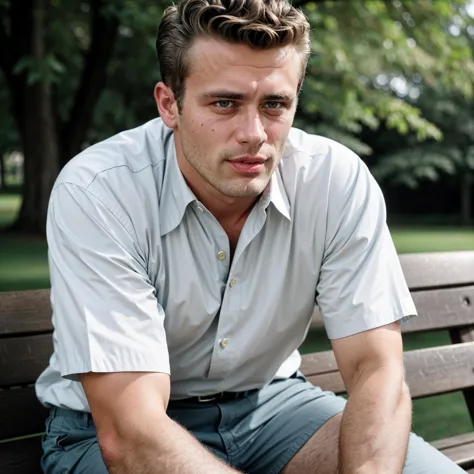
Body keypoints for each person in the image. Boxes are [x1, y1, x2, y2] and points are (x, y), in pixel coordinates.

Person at [36, 0, 465, 473]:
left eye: (275, 104)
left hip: (274, 410)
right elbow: (131, 432)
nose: (254, 134)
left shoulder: (335, 181)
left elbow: (376, 370)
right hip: (106, 431)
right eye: (224, 103)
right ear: (168, 104)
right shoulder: (100, 191)